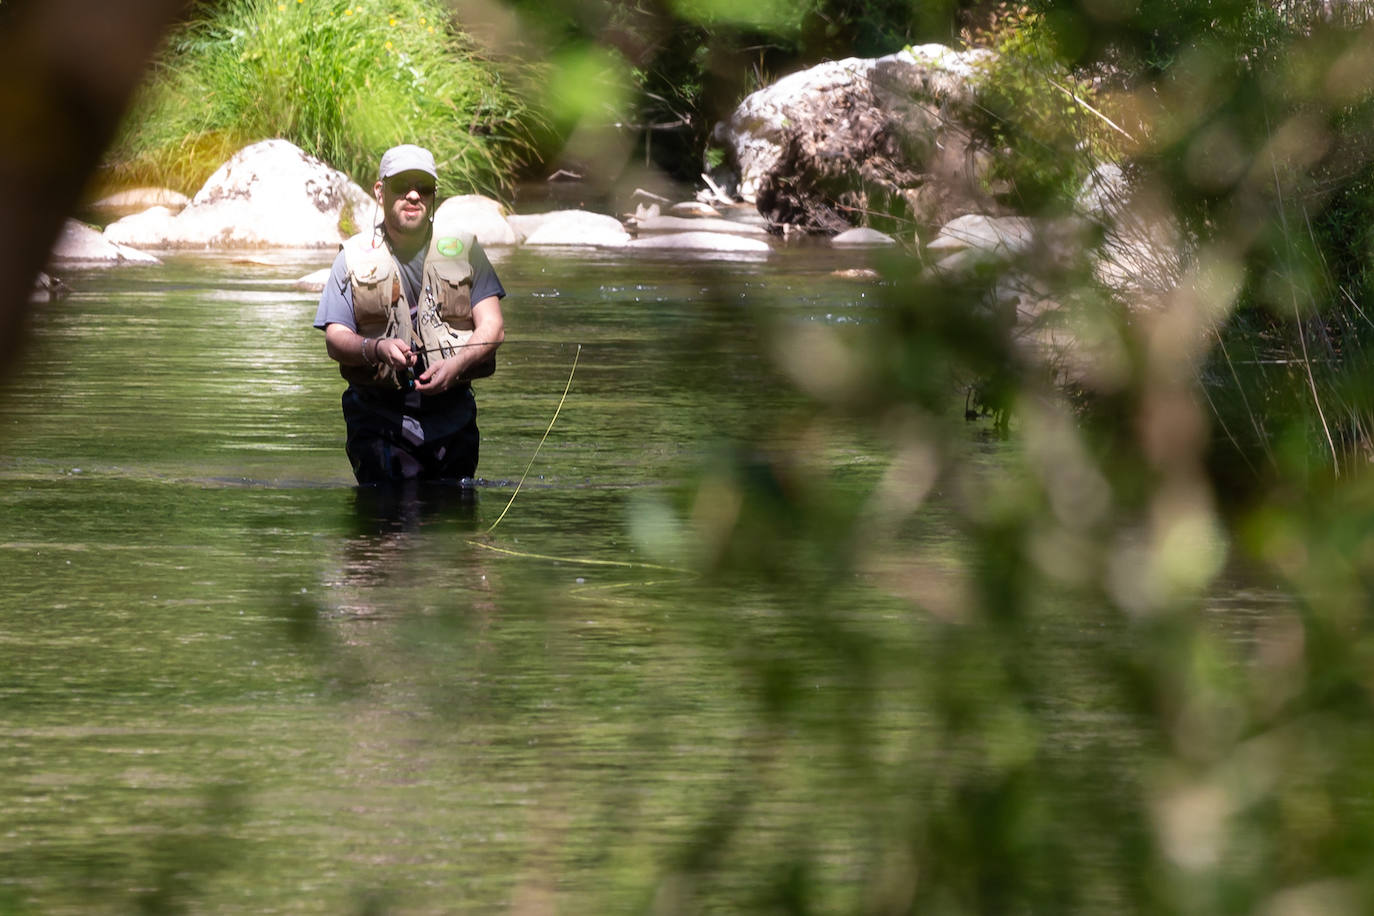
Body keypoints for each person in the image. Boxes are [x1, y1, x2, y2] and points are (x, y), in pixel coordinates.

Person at [314, 144, 505, 485]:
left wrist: (456, 366)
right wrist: (375, 350)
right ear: (380, 190)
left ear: (434, 196)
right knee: (387, 531)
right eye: (402, 185)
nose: (414, 195)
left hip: (453, 421)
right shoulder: (352, 257)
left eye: (424, 187)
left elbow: (493, 327)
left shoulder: (466, 251)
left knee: (450, 532)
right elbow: (335, 338)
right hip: (377, 423)